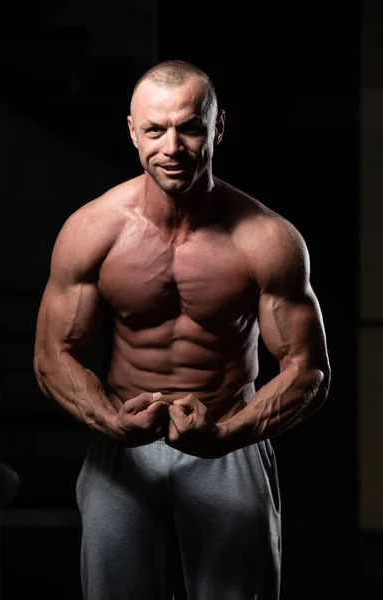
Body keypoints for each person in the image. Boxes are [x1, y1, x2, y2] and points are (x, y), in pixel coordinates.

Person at [33, 59, 331, 600]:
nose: (172, 146)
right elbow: (52, 354)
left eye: (189, 127)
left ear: (217, 128)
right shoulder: (91, 231)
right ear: (132, 131)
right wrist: (110, 422)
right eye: (154, 129)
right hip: (122, 443)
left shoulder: (266, 239)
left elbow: (308, 371)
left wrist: (225, 437)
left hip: (230, 435)